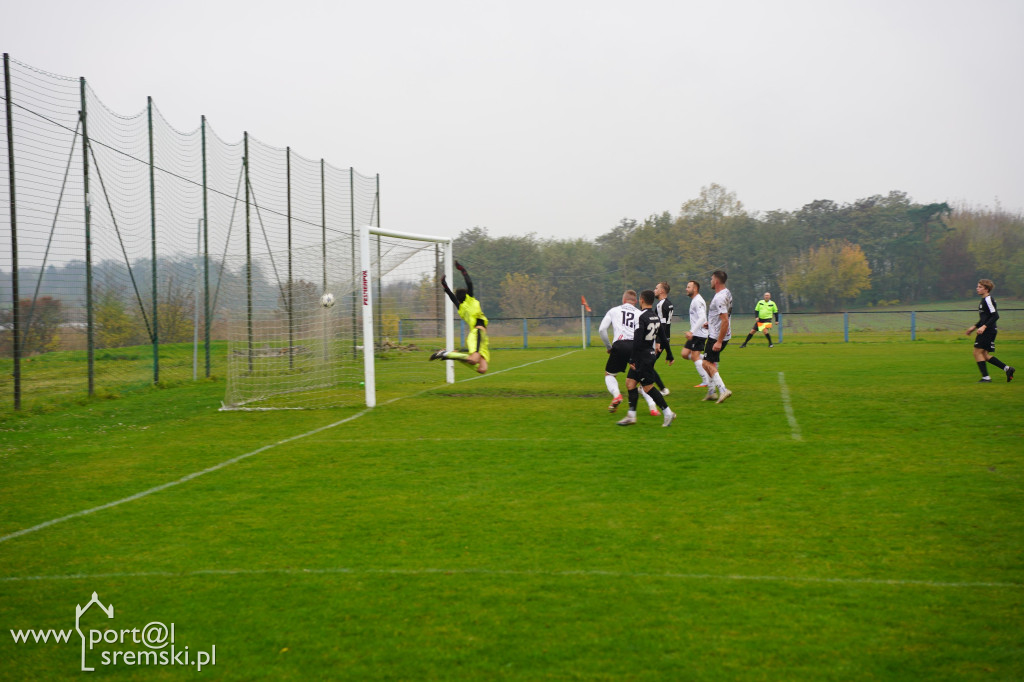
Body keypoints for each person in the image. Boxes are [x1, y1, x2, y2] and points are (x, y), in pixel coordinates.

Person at [617, 289, 676, 427]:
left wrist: (632, 359)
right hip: (648, 355)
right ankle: (631, 416)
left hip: (642, 358)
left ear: (641, 300)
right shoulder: (655, 317)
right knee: (630, 383)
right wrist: (669, 354)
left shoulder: (640, 317)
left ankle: (668, 413)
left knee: (648, 387)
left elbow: (637, 341)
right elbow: (663, 337)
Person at [599, 290, 661, 415]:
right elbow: (650, 336)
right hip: (637, 348)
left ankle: (617, 396)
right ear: (636, 301)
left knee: (610, 374)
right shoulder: (641, 313)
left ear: (623, 300)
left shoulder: (614, 310)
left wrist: (609, 347)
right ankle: (653, 407)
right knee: (643, 380)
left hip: (620, 345)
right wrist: (652, 353)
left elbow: (602, 330)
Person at [429, 261, 489, 373]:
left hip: (481, 337)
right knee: (473, 360)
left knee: (482, 369)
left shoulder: (461, 308)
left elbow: (452, 297)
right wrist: (462, 269)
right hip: (478, 334)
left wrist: (445, 285)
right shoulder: (470, 300)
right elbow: (470, 283)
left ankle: (452, 355)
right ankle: (446, 354)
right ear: (466, 295)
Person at [966, 279, 1015, 383]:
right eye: (977, 286)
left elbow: (995, 315)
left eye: (980, 287)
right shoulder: (983, 300)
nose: (977, 288)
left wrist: (984, 327)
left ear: (986, 289)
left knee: (977, 352)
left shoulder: (988, 299)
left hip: (988, 331)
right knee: (984, 355)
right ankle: (1008, 369)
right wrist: (974, 326)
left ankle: (986, 378)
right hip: (988, 330)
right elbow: (985, 318)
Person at [702, 270, 734, 403]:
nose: (710, 281)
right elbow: (722, 317)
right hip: (721, 332)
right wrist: (711, 323)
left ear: (716, 281)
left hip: (717, 336)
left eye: (711, 279)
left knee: (706, 363)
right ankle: (711, 392)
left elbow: (725, 319)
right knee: (709, 362)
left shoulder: (719, 297)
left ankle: (723, 389)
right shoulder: (727, 293)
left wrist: (719, 341)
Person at [679, 279, 713, 388]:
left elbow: (702, 317)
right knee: (684, 354)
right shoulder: (694, 300)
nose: (686, 289)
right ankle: (709, 361)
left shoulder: (697, 301)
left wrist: (691, 331)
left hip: (699, 334)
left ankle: (705, 381)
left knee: (694, 356)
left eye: (688, 287)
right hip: (696, 333)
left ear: (695, 289)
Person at [650, 282, 674, 395]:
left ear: (662, 291)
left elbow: (662, 325)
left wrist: (658, 342)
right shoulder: (669, 304)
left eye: (656, 288)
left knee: (647, 364)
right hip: (666, 338)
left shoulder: (660, 305)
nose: (654, 290)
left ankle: (663, 389)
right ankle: (644, 385)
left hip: (660, 339)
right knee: (649, 364)